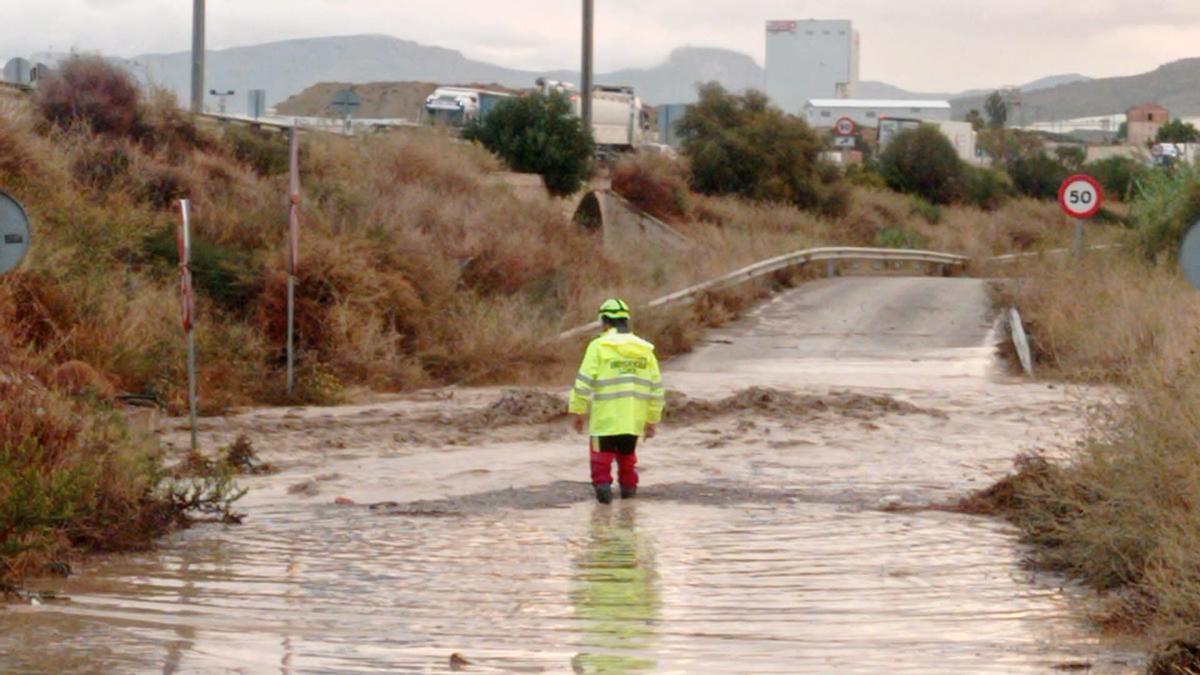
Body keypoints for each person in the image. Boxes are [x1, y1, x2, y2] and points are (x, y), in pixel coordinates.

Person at [568, 298, 665, 504]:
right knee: (628, 463)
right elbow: (656, 389)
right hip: (633, 421)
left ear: (604, 321)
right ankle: (628, 514)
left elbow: (583, 382)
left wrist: (578, 411)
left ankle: (603, 518)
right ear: (626, 321)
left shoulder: (599, 346)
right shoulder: (645, 349)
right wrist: (652, 420)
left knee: (600, 465)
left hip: (605, 420)